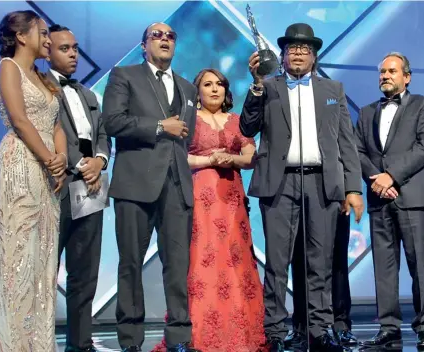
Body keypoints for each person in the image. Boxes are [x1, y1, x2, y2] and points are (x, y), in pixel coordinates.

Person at [240, 23, 364, 352]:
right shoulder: (268, 86)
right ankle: (276, 333)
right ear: (280, 56)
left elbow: (346, 143)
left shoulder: (332, 89)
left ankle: (320, 330)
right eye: (291, 48)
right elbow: (246, 127)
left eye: (304, 48)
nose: (298, 53)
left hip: (322, 182)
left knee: (320, 262)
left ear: (314, 56)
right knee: (278, 264)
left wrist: (353, 188)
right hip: (279, 183)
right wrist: (255, 87)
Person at [152, 68, 266, 352]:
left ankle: (241, 332)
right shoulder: (189, 119)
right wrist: (209, 161)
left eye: (219, 84)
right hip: (200, 199)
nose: (214, 89)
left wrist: (233, 158)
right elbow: (176, 156)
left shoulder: (237, 121)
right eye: (207, 84)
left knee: (236, 259)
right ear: (197, 90)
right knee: (202, 261)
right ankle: (197, 334)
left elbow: (251, 155)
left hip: (231, 200)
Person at [101, 22, 200, 352]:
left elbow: (187, 137)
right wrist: (159, 126)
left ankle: (179, 338)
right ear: (144, 45)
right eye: (156, 35)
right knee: (130, 263)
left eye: (170, 36)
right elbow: (113, 122)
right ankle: (130, 340)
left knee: (177, 267)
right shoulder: (124, 76)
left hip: (177, 186)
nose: (164, 40)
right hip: (135, 184)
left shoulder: (187, 87)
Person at [0, 10, 66, 351]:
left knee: (43, 258)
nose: (48, 39)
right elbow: (19, 119)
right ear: (21, 36)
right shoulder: (9, 68)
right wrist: (49, 160)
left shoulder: (44, 78)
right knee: (18, 257)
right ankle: (12, 344)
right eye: (43, 32)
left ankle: (39, 343)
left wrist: (60, 158)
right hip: (20, 164)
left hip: (48, 173)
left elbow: (56, 126)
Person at [356, 52, 424, 350]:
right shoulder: (366, 113)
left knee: (420, 266)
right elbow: (358, 152)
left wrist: (391, 175)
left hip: (413, 198)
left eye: (391, 71)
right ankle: (388, 327)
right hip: (380, 200)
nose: (385, 76)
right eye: (381, 72)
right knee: (384, 268)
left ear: (407, 76)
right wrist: (377, 180)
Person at [47, 24, 111, 352]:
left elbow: (101, 134)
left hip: (91, 185)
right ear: (47, 51)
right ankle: (39, 342)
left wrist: (99, 160)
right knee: (46, 270)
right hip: (57, 186)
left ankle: (80, 343)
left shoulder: (87, 93)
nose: (73, 54)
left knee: (85, 270)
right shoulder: (41, 87)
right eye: (64, 48)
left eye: (74, 48)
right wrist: (79, 165)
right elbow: (50, 133)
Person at [330, 213, 357, 346]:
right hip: (298, 197)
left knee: (338, 258)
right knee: (301, 257)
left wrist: (352, 191)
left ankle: (341, 322)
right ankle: (302, 327)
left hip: (335, 198)